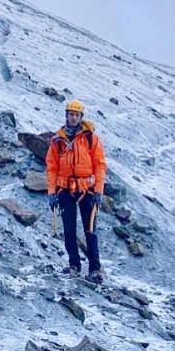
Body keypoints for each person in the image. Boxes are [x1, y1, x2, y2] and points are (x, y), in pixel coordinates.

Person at [45, 100, 107, 282]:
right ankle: (74, 265)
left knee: (90, 230)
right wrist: (51, 192)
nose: (73, 118)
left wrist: (98, 191)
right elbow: (52, 168)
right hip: (65, 190)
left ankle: (95, 269)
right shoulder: (57, 141)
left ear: (81, 117)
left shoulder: (90, 139)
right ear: (66, 116)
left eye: (76, 115)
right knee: (69, 230)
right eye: (70, 114)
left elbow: (100, 165)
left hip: (87, 190)